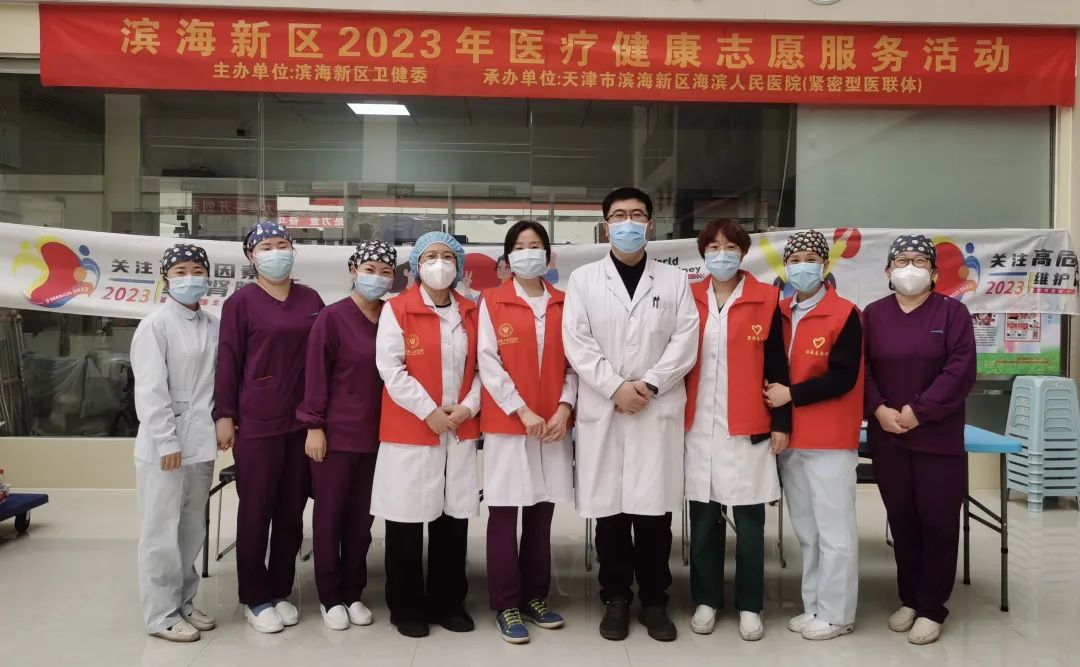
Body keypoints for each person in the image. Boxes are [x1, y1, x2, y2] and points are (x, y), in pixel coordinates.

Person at [563, 187, 698, 642]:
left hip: (656, 407)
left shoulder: (674, 280)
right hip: (606, 406)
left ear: (650, 224)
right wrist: (615, 388)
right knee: (611, 513)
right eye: (619, 215)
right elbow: (577, 343)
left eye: (637, 214)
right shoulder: (583, 280)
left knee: (655, 513)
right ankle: (616, 597)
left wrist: (651, 384)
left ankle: (655, 601)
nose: (628, 222)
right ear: (605, 225)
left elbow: (685, 340)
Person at [864, 235, 976, 646]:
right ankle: (909, 598)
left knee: (938, 522)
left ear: (933, 272)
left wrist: (919, 411)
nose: (909, 267)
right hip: (889, 437)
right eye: (901, 260)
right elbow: (863, 369)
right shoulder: (873, 314)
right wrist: (878, 409)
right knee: (903, 520)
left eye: (918, 261)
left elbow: (960, 370)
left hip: (937, 438)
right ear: (888, 270)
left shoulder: (952, 312)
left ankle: (932, 607)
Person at [214, 221, 325, 634]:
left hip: (302, 421)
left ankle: (280, 589)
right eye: (266, 247)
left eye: (283, 245)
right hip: (256, 421)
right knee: (256, 510)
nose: (276, 252)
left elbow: (322, 358)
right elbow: (228, 360)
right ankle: (255, 597)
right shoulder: (240, 303)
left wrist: (320, 417)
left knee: (292, 511)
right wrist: (224, 414)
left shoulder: (310, 298)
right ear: (251, 256)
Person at [684, 222, 791, 642]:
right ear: (703, 254)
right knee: (703, 521)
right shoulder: (688, 297)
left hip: (749, 426)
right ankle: (706, 599)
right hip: (698, 426)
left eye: (730, 246)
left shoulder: (766, 298)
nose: (722, 253)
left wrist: (781, 422)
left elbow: (778, 365)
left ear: (743, 253)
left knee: (749, 524)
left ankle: (750, 604)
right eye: (713, 247)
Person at [373, 231, 481, 638]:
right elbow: (391, 368)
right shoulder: (397, 309)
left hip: (459, 426)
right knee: (406, 519)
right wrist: (429, 411)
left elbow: (485, 367)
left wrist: (468, 406)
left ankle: (448, 603)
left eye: (447, 256)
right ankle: (406, 608)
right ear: (417, 265)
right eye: (430, 256)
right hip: (412, 428)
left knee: (452, 520)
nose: (439, 263)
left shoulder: (471, 311)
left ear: (459, 265)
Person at [763, 229, 863, 641]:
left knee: (835, 532)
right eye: (795, 259)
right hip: (792, 439)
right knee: (807, 531)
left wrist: (792, 394)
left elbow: (843, 377)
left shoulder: (845, 313)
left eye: (810, 259)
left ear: (824, 265)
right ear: (786, 266)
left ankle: (838, 614)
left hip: (830, 439)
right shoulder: (780, 312)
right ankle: (815, 606)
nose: (802, 266)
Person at [478, 221, 576, 644]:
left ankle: (536, 596)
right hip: (509, 424)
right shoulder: (491, 301)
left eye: (535, 246)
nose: (528, 253)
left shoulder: (564, 303)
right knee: (504, 512)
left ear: (548, 256)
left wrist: (564, 408)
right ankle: (506, 603)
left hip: (552, 425)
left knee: (541, 511)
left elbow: (574, 364)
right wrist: (521, 411)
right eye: (519, 247)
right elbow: (488, 362)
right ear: (508, 257)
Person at [297, 240, 397, 631]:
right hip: (335, 436)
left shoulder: (392, 317)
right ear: (354, 271)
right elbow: (315, 374)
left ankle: (354, 592)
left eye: (385, 271)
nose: (377, 277)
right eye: (369, 269)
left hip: (379, 437)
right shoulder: (332, 318)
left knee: (361, 522)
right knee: (329, 519)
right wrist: (314, 426)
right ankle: (330, 596)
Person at [133, 244, 221, 643]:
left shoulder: (213, 324)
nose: (190, 278)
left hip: (201, 442)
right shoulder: (155, 325)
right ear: (166, 279)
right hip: (164, 446)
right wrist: (167, 441)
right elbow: (151, 390)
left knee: (191, 529)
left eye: (197, 270)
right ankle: (160, 614)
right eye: (181, 271)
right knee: (160, 530)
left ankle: (185, 602)